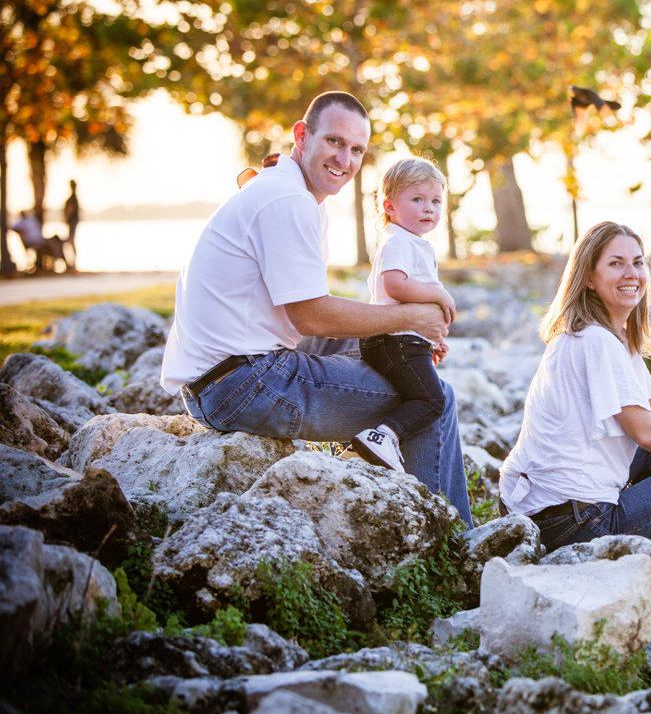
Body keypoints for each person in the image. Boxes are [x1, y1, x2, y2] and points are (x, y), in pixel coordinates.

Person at [159, 91, 473, 525]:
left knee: (400, 357)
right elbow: (312, 316)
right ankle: (452, 541)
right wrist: (409, 317)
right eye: (335, 142)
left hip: (230, 370)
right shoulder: (286, 199)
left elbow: (305, 315)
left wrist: (409, 340)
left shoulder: (288, 191)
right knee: (433, 397)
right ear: (302, 136)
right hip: (241, 383)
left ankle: (407, 496)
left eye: (357, 149)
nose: (345, 159)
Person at [498, 221, 651, 575]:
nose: (631, 273)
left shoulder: (607, 338)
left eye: (638, 262)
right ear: (588, 277)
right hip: (573, 524)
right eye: (616, 263)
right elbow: (643, 430)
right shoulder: (596, 341)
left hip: (537, 508)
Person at [352, 157, 456, 470]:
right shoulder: (398, 240)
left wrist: (431, 338)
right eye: (417, 199)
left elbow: (412, 303)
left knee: (424, 393)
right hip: (393, 341)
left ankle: (369, 447)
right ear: (389, 206)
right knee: (433, 400)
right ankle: (382, 437)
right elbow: (395, 285)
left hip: (404, 340)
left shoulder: (416, 244)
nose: (429, 208)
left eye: (436, 201)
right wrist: (438, 293)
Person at [63, 180, 80, 270]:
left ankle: (73, 264)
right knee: (71, 242)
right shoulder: (74, 197)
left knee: (70, 242)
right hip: (72, 223)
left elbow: (70, 209)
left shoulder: (72, 198)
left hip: (72, 223)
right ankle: (72, 264)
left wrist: (66, 218)